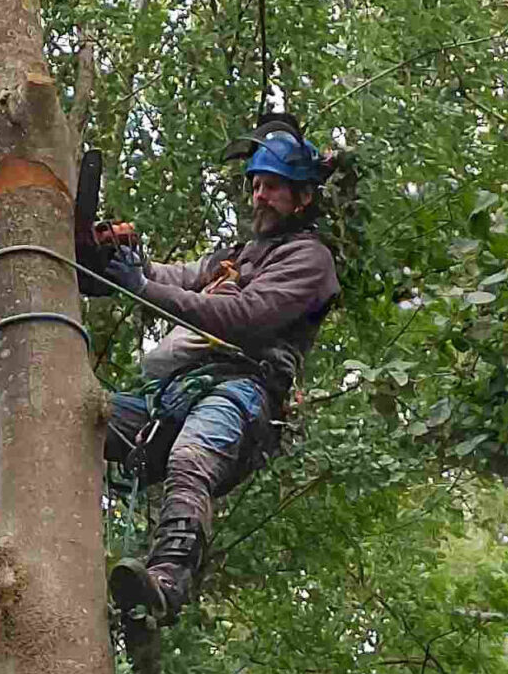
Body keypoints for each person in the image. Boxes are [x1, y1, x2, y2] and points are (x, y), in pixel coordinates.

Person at [101, 114, 340, 628]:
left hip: (242, 389)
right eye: (255, 186)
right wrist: (113, 261)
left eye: (273, 187)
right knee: (84, 414)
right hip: (173, 391)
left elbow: (244, 318)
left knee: (191, 457)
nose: (259, 196)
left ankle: (167, 582)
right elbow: (173, 277)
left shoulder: (309, 261)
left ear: (302, 197)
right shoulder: (237, 256)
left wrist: (145, 289)